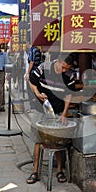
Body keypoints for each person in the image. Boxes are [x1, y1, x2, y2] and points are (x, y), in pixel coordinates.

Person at [26, 53, 76, 184]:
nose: (64, 70)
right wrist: (37, 93)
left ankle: (60, 171)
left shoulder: (69, 75)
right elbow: (32, 82)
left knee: (58, 141)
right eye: (63, 67)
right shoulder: (43, 68)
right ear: (58, 61)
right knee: (38, 140)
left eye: (67, 68)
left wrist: (64, 113)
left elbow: (69, 96)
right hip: (40, 108)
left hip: (58, 110)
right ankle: (35, 172)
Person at [24, 43, 42, 112]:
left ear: (29, 43)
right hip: (38, 72)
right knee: (36, 89)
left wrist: (28, 73)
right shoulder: (38, 49)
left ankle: (33, 107)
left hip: (32, 73)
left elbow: (31, 62)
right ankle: (36, 107)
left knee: (31, 90)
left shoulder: (32, 50)